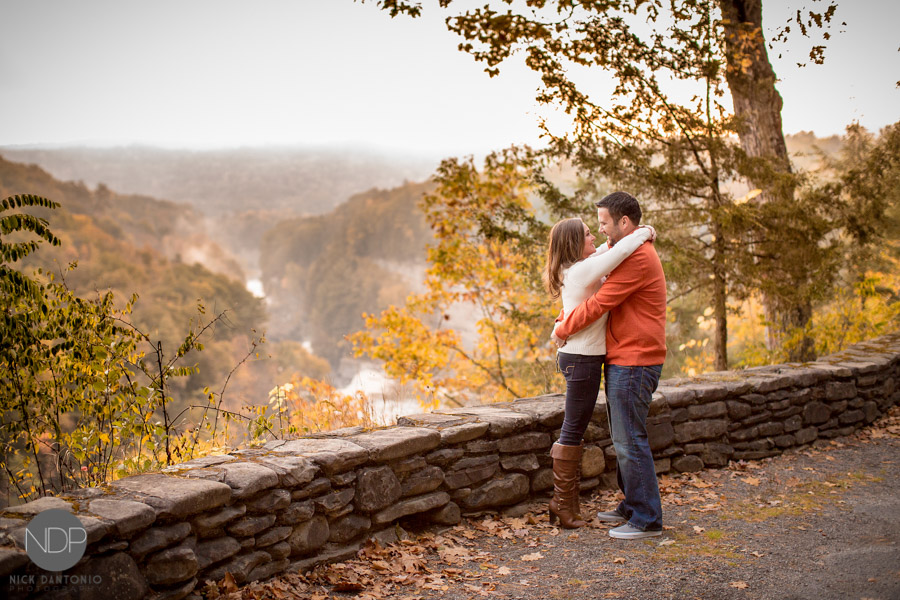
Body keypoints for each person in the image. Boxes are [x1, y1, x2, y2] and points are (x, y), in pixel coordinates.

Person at [552, 191, 667, 540]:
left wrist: (562, 328)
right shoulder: (629, 251)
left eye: (603, 223)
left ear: (624, 223)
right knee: (623, 438)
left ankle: (646, 518)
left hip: (635, 359)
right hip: (623, 356)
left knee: (629, 439)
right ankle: (632, 504)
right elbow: (588, 285)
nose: (600, 230)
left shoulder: (637, 258)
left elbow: (600, 302)